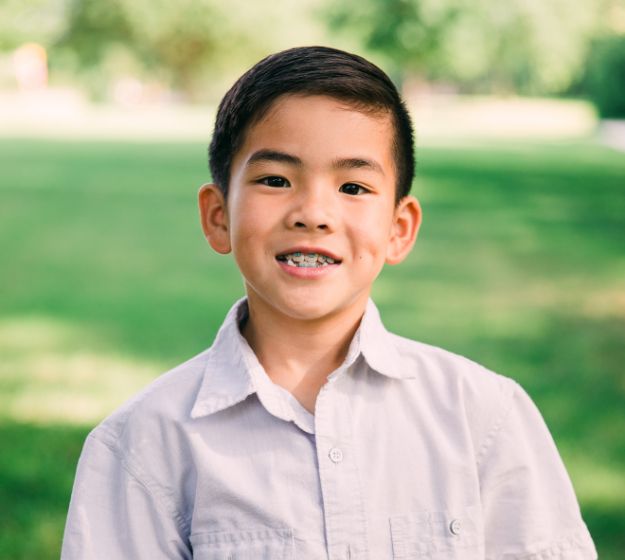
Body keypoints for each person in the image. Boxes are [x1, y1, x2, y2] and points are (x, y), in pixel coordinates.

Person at [61, 46, 597, 559]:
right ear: (218, 215)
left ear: (399, 228)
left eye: (354, 187)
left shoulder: (483, 416)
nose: (313, 212)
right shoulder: (143, 444)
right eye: (276, 179)